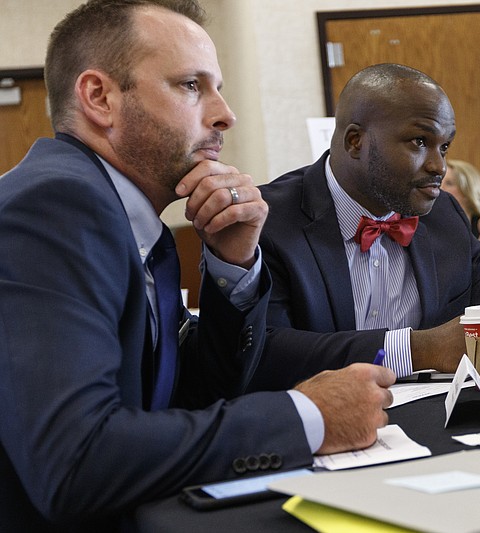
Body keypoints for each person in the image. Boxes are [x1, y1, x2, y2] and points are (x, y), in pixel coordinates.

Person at [0, 1, 393, 530]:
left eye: (219, 87)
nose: (224, 114)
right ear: (99, 97)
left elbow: (186, 396)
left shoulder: (137, 224)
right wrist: (306, 418)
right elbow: (76, 461)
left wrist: (234, 262)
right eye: (191, 85)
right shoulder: (55, 206)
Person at [249, 63, 480, 392]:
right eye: (419, 142)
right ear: (356, 142)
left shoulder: (442, 213)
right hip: (317, 428)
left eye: (444, 147)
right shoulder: (269, 219)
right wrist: (419, 349)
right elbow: (264, 354)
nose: (439, 166)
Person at [440, 158, 480, 241]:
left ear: (468, 190)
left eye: (449, 183)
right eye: (439, 182)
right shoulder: (430, 225)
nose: (440, 188)